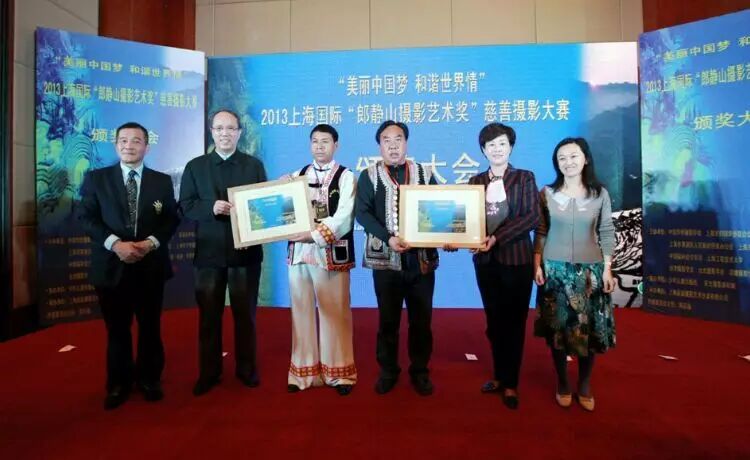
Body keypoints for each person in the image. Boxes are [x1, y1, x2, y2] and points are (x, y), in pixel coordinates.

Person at [79, 121, 179, 410]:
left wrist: (150, 243)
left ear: (147, 146)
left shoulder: (161, 181)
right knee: (117, 329)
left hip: (150, 265)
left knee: (150, 326)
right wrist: (115, 244)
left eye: (136, 141)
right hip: (111, 265)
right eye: (123, 140)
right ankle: (118, 384)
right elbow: (86, 217)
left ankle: (149, 379)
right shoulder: (97, 179)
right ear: (115, 145)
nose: (129, 145)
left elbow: (170, 219)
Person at [179, 109, 268, 396]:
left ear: (240, 132)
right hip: (209, 254)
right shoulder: (195, 166)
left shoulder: (253, 165)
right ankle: (209, 372)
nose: (225, 133)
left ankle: (246, 369)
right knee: (209, 317)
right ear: (211, 132)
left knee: (246, 316)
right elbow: (185, 206)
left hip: (246, 254)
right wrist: (211, 207)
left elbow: (264, 206)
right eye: (219, 128)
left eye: (231, 128)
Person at [355, 120, 439, 396]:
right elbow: (362, 213)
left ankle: (420, 371)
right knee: (388, 321)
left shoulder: (424, 173)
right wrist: (388, 237)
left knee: (421, 321)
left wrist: (450, 235)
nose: (393, 146)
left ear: (406, 143)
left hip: (421, 261)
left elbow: (440, 208)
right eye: (386, 140)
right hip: (386, 262)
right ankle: (388, 371)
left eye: (398, 139)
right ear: (379, 145)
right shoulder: (369, 176)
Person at [533, 137, 616, 412]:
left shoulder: (599, 194)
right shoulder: (546, 193)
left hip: (590, 273)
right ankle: (562, 382)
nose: (568, 162)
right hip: (554, 271)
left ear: (585, 159)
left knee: (588, 332)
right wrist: (537, 264)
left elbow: (606, 231)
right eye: (562, 158)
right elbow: (541, 231)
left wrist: (607, 268)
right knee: (558, 331)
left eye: (573, 156)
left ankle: (584, 383)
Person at [467, 122, 540, 410]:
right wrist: (457, 238)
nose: (497, 149)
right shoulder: (475, 181)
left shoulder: (524, 178)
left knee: (514, 322)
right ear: (483, 150)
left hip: (517, 261)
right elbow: (468, 220)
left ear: (511, 147)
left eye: (502, 144)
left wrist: (496, 237)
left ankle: (511, 383)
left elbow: (531, 217)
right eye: (491, 145)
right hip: (486, 263)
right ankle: (499, 375)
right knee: (494, 322)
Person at [284, 124, 357, 396]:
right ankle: (302, 373)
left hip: (330, 252)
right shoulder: (296, 176)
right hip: (299, 253)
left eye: (325, 141)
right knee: (300, 310)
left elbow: (345, 216)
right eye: (314, 141)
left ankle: (339, 374)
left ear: (336, 145)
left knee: (335, 312)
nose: (319, 146)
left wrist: (314, 235)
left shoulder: (346, 176)